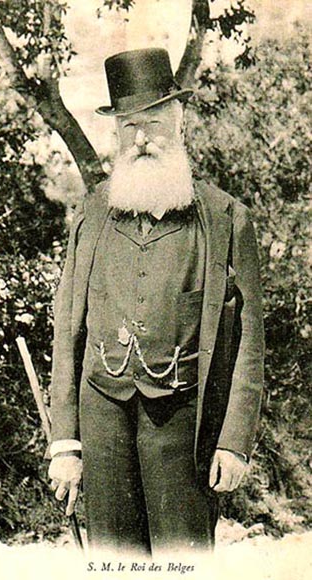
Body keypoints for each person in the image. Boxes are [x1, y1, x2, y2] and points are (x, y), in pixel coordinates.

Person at [48, 48, 264, 557]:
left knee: (181, 560)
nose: (141, 139)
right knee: (113, 560)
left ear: (179, 122)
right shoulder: (92, 214)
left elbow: (250, 342)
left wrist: (234, 441)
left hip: (184, 427)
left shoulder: (225, 219)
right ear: (117, 133)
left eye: (154, 123)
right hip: (101, 419)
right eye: (128, 127)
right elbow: (68, 329)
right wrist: (65, 443)